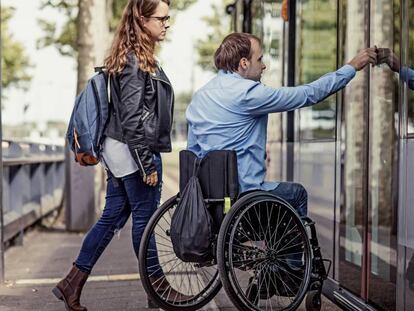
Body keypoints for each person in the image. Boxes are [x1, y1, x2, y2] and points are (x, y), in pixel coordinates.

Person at [52, 1, 180, 310]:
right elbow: (133, 117)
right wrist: (146, 162)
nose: (166, 23)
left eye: (167, 18)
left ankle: (71, 283)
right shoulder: (135, 62)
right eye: (161, 18)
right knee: (145, 219)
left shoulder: (134, 57)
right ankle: (158, 290)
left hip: (120, 150)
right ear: (141, 19)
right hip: (134, 152)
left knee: (112, 217)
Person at [186, 32, 377, 217]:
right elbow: (308, 94)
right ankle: (288, 250)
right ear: (244, 63)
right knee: (297, 193)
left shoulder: (200, 97)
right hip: (246, 199)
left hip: (211, 203)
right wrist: (351, 67)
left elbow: (193, 152)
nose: (264, 66)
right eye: (260, 59)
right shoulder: (249, 94)